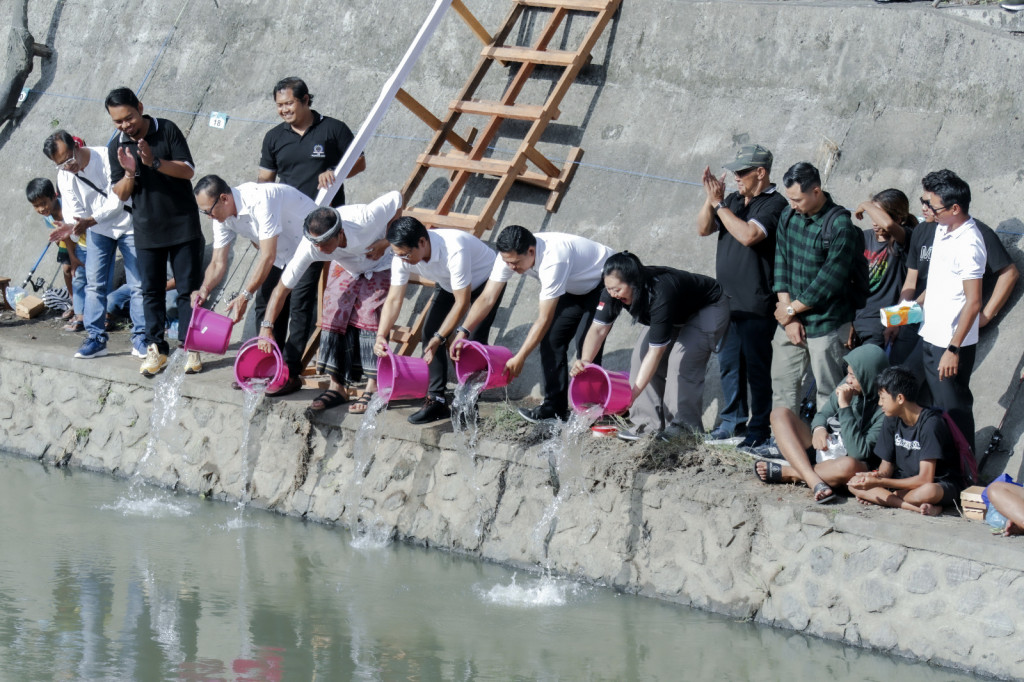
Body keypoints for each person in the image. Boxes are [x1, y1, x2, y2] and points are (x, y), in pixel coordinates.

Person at [257, 77, 365, 392]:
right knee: (270, 293)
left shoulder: (333, 129)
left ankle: (289, 370)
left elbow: (359, 161)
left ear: (306, 100)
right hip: (282, 231)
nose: (283, 110)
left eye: (289, 103)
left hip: (320, 230)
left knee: (302, 297)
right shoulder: (274, 137)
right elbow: (265, 181)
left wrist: (336, 172)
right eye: (279, 106)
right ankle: (264, 362)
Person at [452, 225, 614, 423]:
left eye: (515, 263)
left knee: (586, 345)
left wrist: (520, 357)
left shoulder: (554, 259)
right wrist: (463, 332)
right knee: (551, 341)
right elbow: (487, 297)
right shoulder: (509, 255)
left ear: (530, 251)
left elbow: (543, 319)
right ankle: (554, 408)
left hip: (603, 280)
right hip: (573, 285)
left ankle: (592, 410)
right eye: (507, 262)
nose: (511, 267)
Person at [260, 191, 401, 414]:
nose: (319, 250)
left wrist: (386, 241)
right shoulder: (312, 247)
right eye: (315, 244)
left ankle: (373, 386)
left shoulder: (365, 218)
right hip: (347, 266)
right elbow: (282, 289)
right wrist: (266, 327)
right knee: (333, 308)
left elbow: (397, 198)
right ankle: (337, 387)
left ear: (340, 233)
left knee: (369, 312)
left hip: (381, 261)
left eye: (324, 244)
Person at [570, 252, 730, 441]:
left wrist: (633, 394)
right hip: (673, 314)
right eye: (609, 289)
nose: (612, 294)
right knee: (639, 357)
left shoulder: (661, 291)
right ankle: (646, 425)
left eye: (617, 290)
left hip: (706, 308)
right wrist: (585, 364)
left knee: (681, 363)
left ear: (634, 282)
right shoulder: (612, 290)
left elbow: (656, 352)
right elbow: (598, 329)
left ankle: (683, 430)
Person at [105, 87, 205, 377]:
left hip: (182, 223)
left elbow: (188, 171)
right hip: (147, 229)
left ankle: (191, 347)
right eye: (118, 122)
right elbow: (122, 194)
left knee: (188, 290)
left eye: (128, 117)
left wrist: (153, 163)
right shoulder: (118, 146)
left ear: (140, 107)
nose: (125, 125)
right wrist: (130, 171)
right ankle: (156, 349)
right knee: (151, 291)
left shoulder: (167, 130)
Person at [191, 175, 317, 393]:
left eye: (209, 211)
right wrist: (204, 289)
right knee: (265, 303)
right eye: (204, 213)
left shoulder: (261, 199)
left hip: (309, 245)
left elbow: (267, 255)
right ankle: (265, 366)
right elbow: (218, 261)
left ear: (224, 198)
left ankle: (289, 373)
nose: (209, 217)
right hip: (280, 253)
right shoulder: (223, 216)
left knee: (299, 305)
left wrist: (244, 295)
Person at [697, 143, 787, 448]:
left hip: (756, 303)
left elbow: (749, 236)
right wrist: (711, 202)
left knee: (757, 368)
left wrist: (721, 206)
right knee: (729, 364)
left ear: (760, 173)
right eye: (735, 171)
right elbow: (702, 229)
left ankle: (759, 428)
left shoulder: (774, 205)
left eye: (742, 172)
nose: (736, 177)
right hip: (727, 303)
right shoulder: (732, 200)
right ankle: (732, 421)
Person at [374, 218, 498, 424]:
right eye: (398, 254)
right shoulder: (402, 256)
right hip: (449, 282)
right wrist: (381, 335)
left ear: (422, 242)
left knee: (471, 343)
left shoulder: (453, 248)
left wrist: (441, 337)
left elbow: (462, 302)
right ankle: (437, 400)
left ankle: (469, 406)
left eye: (406, 254)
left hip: (485, 282)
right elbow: (394, 299)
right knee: (428, 333)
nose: (402, 259)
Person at [901, 170, 986, 455]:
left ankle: (966, 478)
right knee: (930, 405)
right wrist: (905, 314)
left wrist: (953, 348)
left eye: (934, 206)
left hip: (950, 345)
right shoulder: (941, 229)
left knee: (954, 411)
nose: (928, 210)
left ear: (955, 208)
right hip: (929, 336)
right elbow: (936, 285)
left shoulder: (969, 243)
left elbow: (974, 302)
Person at [43, 129, 145, 360]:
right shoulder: (65, 175)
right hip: (98, 230)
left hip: (127, 224)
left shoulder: (106, 157)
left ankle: (140, 338)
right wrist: (71, 225)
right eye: (61, 164)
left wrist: (90, 220)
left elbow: (117, 199)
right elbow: (73, 210)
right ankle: (96, 338)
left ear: (77, 146)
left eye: (69, 159)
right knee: (94, 285)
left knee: (138, 283)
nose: (68, 166)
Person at [771, 161, 860, 413]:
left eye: (797, 199)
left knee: (829, 390)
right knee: (783, 383)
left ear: (816, 192)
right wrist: (788, 316)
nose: (792, 205)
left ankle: (825, 448)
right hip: (791, 317)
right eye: (789, 198)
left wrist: (789, 312)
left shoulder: (839, 226)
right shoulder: (789, 216)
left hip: (827, 323)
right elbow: (781, 264)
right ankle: (784, 442)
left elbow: (828, 281)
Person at [754, 344, 889, 503]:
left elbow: (859, 453)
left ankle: (791, 473)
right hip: (825, 448)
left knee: (848, 465)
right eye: (848, 373)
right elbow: (823, 414)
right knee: (779, 414)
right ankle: (814, 480)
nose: (848, 380)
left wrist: (845, 406)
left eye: (854, 376)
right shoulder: (847, 384)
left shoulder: (885, 407)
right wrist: (819, 428)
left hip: (846, 466)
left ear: (869, 377)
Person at [848, 365, 964, 516]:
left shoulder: (930, 424)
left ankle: (889, 499)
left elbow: (925, 479)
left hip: (935, 484)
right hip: (903, 484)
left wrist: (879, 486)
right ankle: (915, 507)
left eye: (883, 398)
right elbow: (886, 469)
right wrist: (872, 477)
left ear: (900, 398)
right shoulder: (891, 418)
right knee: (853, 484)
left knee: (928, 491)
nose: (880, 403)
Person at [851, 189, 917, 363]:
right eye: (871, 215)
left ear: (898, 218)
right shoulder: (862, 238)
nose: (874, 221)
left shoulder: (906, 239)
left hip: (884, 324)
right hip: (857, 319)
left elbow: (888, 225)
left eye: (878, 215)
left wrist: (866, 205)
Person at [25, 178, 86, 331]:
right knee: (66, 270)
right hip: (66, 240)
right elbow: (62, 239)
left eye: (43, 203)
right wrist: (66, 252)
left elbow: (74, 234)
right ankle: (74, 303)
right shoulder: (48, 216)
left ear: (54, 196)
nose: (41, 209)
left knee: (78, 270)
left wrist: (73, 257)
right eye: (36, 206)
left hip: (81, 238)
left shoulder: (66, 207)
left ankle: (83, 308)